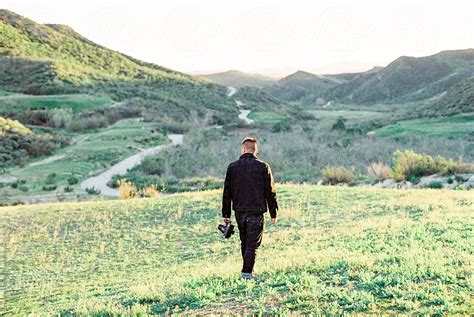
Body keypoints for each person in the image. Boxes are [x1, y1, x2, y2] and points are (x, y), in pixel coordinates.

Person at [222, 137, 278, 280]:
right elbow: (270, 191)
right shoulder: (263, 166)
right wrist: (273, 212)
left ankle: (248, 271)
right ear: (255, 150)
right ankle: (247, 273)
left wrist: (226, 214)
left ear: (243, 149)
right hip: (256, 211)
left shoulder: (232, 167)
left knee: (245, 242)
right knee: (252, 244)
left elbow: (227, 192)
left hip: (239, 212)